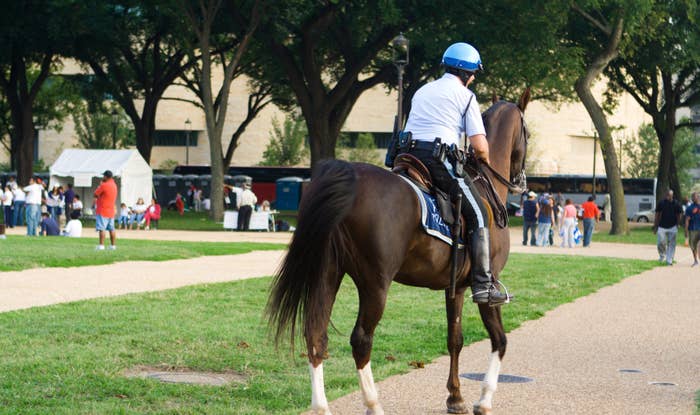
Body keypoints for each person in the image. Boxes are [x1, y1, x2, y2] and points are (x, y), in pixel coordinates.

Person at [399, 42, 508, 306]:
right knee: (480, 214)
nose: (472, 79)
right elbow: (480, 146)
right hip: (437, 160)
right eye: (473, 75)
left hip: (407, 156)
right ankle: (483, 284)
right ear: (468, 74)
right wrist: (484, 158)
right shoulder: (465, 96)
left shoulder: (423, 90)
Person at [653, 189, 683, 265]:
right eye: (666, 195)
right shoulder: (661, 203)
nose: (667, 196)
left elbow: (679, 215)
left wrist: (678, 224)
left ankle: (669, 260)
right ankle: (662, 255)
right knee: (660, 242)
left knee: (671, 243)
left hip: (673, 226)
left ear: (672, 195)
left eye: (669, 195)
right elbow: (657, 214)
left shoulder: (676, 204)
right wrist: (655, 225)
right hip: (662, 226)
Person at [94, 170, 118, 250]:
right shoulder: (114, 185)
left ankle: (101, 245)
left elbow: (95, 194)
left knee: (102, 228)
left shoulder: (104, 185)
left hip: (103, 210)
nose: (102, 177)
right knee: (112, 229)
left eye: (103, 176)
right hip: (111, 211)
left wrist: (100, 186)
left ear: (106, 177)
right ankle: (113, 246)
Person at [684, 192, 700, 267]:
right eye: (692, 197)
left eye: (695, 197)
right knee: (693, 245)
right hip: (693, 229)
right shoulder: (689, 208)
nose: (693, 198)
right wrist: (686, 231)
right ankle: (695, 261)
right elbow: (687, 220)